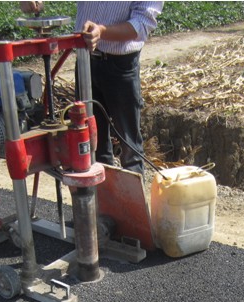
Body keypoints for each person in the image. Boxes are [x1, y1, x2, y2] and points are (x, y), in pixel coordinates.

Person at [20, 1, 163, 175]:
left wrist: (101, 32)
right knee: (91, 144)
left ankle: (132, 190)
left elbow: (142, 23)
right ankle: (99, 191)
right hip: (85, 58)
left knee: (129, 146)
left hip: (120, 66)